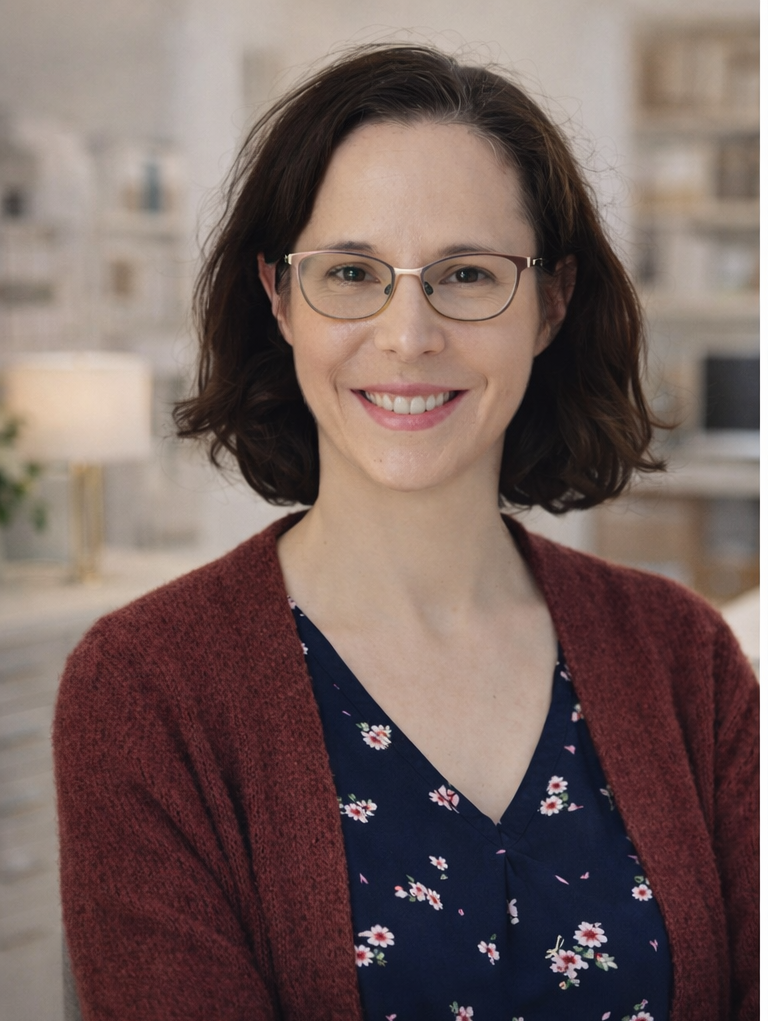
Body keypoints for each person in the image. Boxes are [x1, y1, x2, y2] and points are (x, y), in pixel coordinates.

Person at [54, 45, 758, 1021]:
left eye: (467, 274)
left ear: (552, 304)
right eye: (351, 271)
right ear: (280, 297)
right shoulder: (146, 687)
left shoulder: (688, 661)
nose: (408, 333)